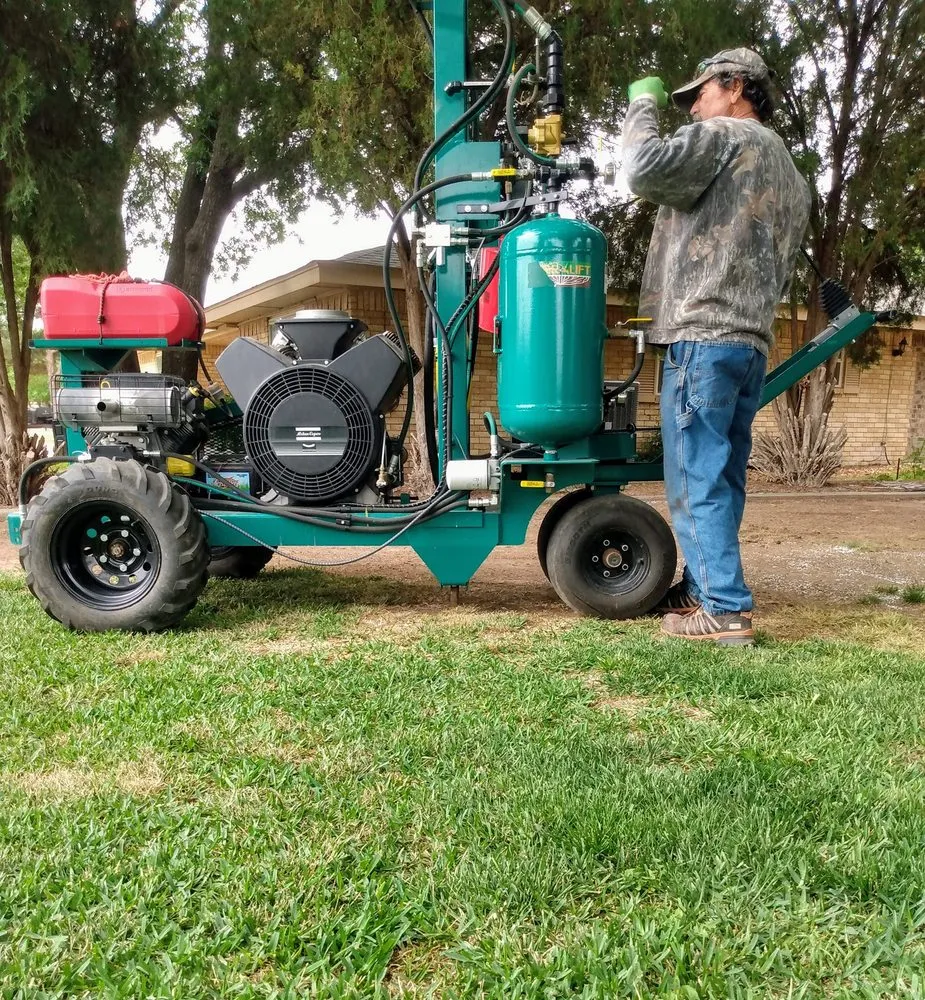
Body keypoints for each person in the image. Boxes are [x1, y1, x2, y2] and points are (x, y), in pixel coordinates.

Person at [622, 49, 810, 645]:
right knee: (722, 475)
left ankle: (725, 610)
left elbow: (643, 169)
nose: (692, 108)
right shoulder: (789, 171)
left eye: (698, 93)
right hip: (748, 341)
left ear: (734, 87)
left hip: (703, 334)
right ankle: (703, 588)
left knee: (694, 474)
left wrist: (643, 105)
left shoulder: (724, 135)